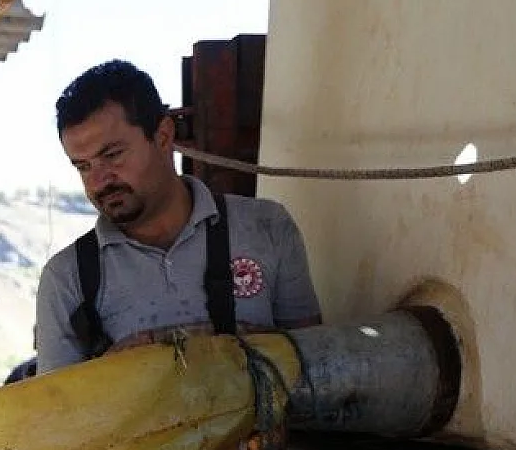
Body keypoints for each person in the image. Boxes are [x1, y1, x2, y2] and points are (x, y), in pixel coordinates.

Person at [34, 60, 322, 375]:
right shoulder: (67, 279)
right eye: (83, 166)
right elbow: (59, 414)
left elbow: (313, 371)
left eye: (112, 155)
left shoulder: (266, 228)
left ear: (162, 136)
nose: (99, 181)